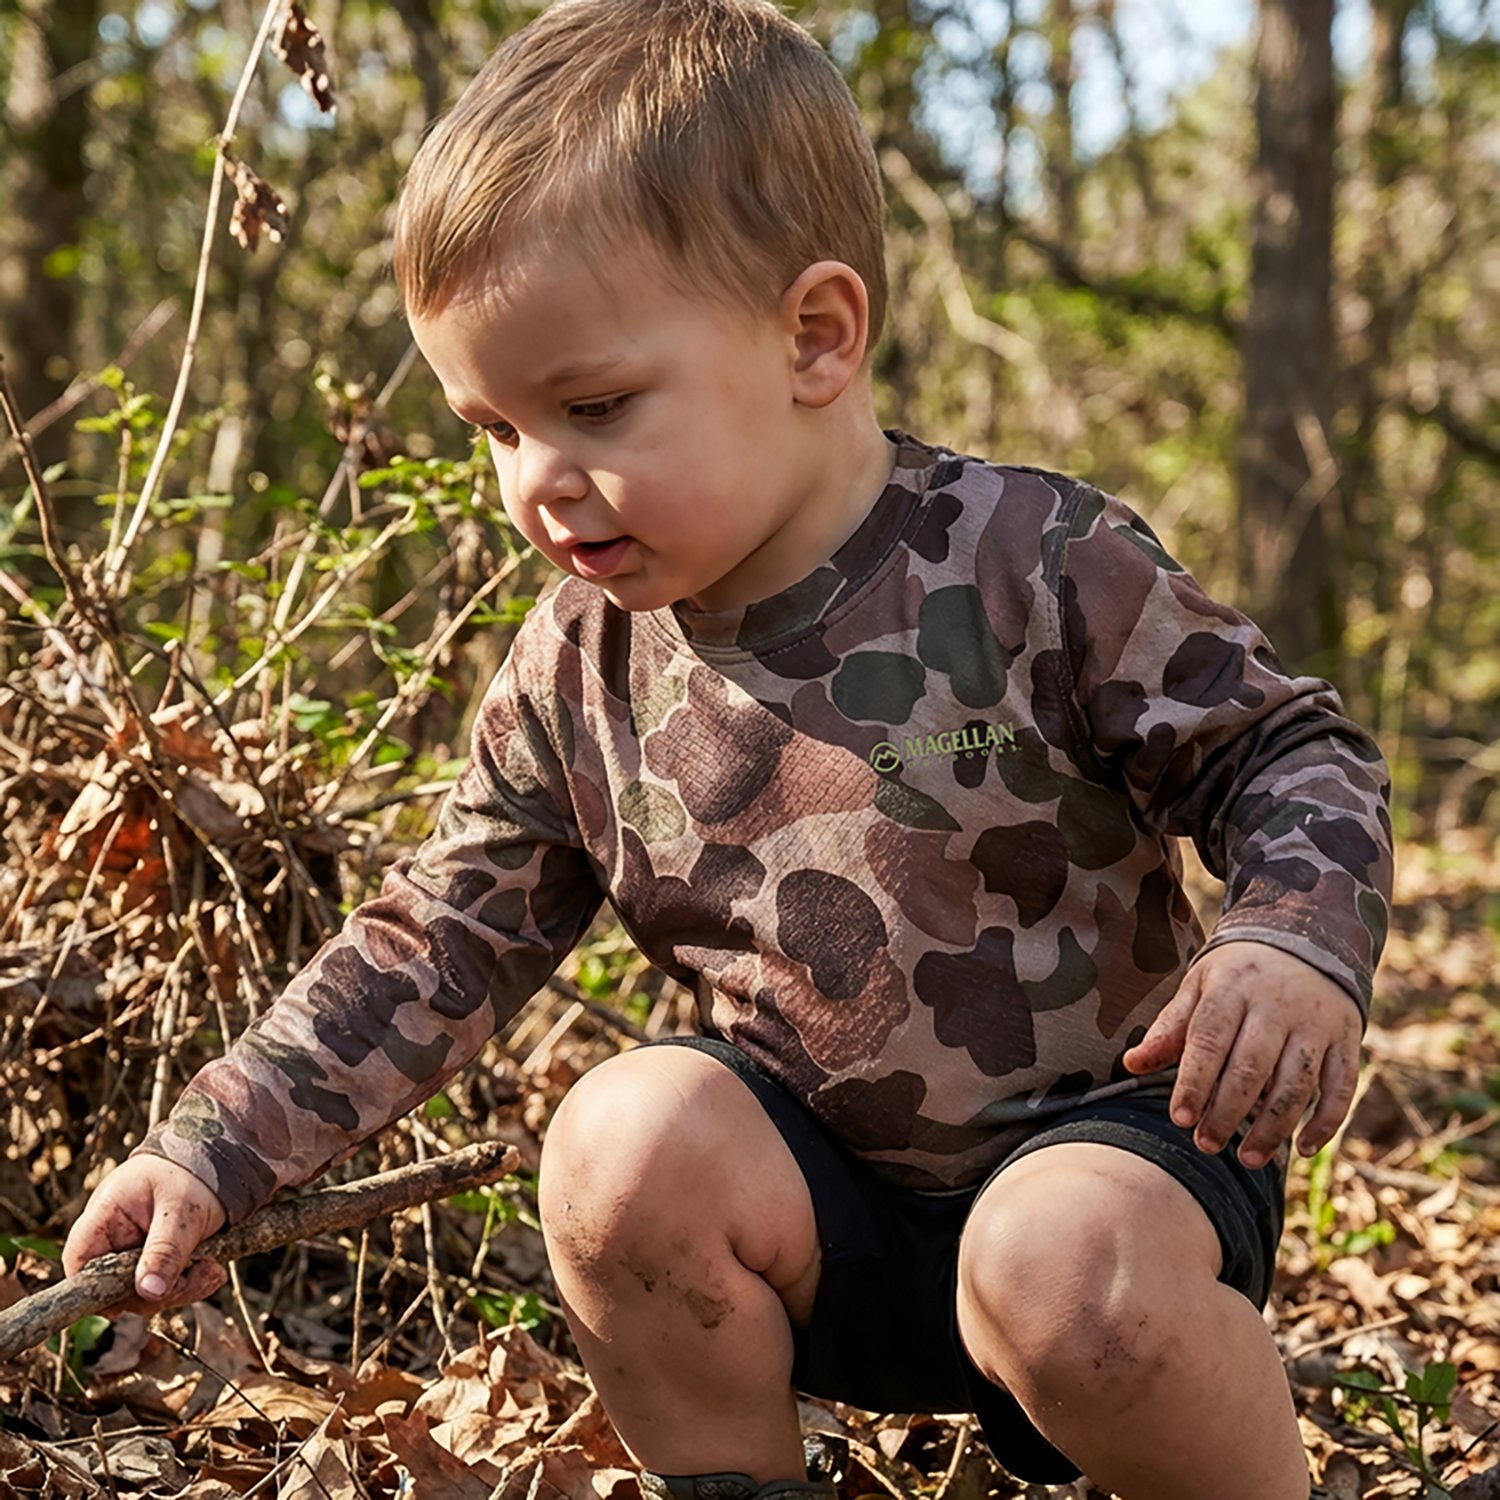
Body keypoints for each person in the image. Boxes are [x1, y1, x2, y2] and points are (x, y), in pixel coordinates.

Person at [64, 3, 1393, 1497]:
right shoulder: (582, 666)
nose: (538, 480)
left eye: (593, 407)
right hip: (824, 1216)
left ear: (814, 337)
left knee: (1054, 1262)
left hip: (1117, 1194)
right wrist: (209, 1149)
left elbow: (1292, 753)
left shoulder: (1028, 561)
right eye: (492, 427)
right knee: (621, 1148)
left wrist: (1292, 937)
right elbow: (432, 940)